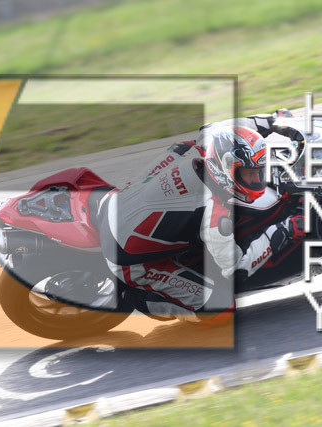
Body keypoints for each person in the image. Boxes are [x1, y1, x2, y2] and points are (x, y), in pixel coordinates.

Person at [97, 113, 305, 325]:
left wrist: (269, 121)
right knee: (220, 309)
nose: (256, 179)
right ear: (227, 171)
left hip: (117, 203)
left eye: (259, 172)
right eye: (248, 174)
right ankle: (142, 299)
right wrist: (282, 230)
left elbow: (218, 128)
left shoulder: (205, 148)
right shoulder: (214, 214)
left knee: (181, 154)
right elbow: (237, 268)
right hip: (126, 257)